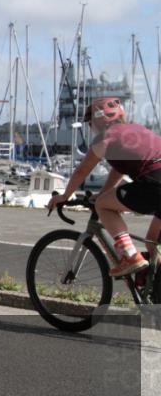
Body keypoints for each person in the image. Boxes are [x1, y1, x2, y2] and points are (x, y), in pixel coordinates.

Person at [47, 97, 161, 276]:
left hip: (155, 183)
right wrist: (104, 193)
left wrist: (64, 196)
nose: (90, 126)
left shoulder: (107, 137)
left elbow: (82, 171)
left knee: (102, 206)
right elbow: (118, 170)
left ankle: (130, 256)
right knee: (152, 243)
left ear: (98, 120)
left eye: (90, 122)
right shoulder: (136, 129)